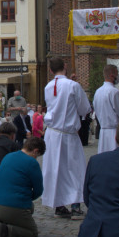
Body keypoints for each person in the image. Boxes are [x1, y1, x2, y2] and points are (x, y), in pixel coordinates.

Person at [42, 57, 92, 219]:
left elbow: (60, 99)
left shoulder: (49, 86)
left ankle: (59, 205)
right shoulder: (73, 86)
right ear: (65, 66)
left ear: (50, 70)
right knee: (74, 168)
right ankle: (76, 206)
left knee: (56, 168)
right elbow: (85, 108)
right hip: (67, 133)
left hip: (52, 133)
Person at [0, 136, 44, 237]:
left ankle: (8, 223)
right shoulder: (31, 162)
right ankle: (7, 230)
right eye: (37, 155)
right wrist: (27, 197)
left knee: (30, 208)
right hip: (13, 207)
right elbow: (38, 190)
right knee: (32, 232)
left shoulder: (8, 156)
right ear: (35, 151)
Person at [93, 64, 119, 154]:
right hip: (115, 132)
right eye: (117, 73)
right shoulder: (114, 92)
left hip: (103, 131)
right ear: (112, 75)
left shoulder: (98, 92)